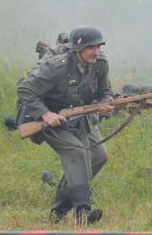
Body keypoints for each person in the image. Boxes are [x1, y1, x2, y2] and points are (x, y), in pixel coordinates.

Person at [17, 25, 114, 224]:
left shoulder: (100, 64)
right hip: (49, 119)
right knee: (77, 152)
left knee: (98, 156)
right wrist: (45, 114)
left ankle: (58, 212)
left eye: (98, 47)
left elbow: (105, 91)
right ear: (78, 49)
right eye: (91, 48)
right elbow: (25, 89)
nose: (96, 52)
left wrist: (104, 103)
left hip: (81, 116)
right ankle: (83, 212)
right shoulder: (56, 67)